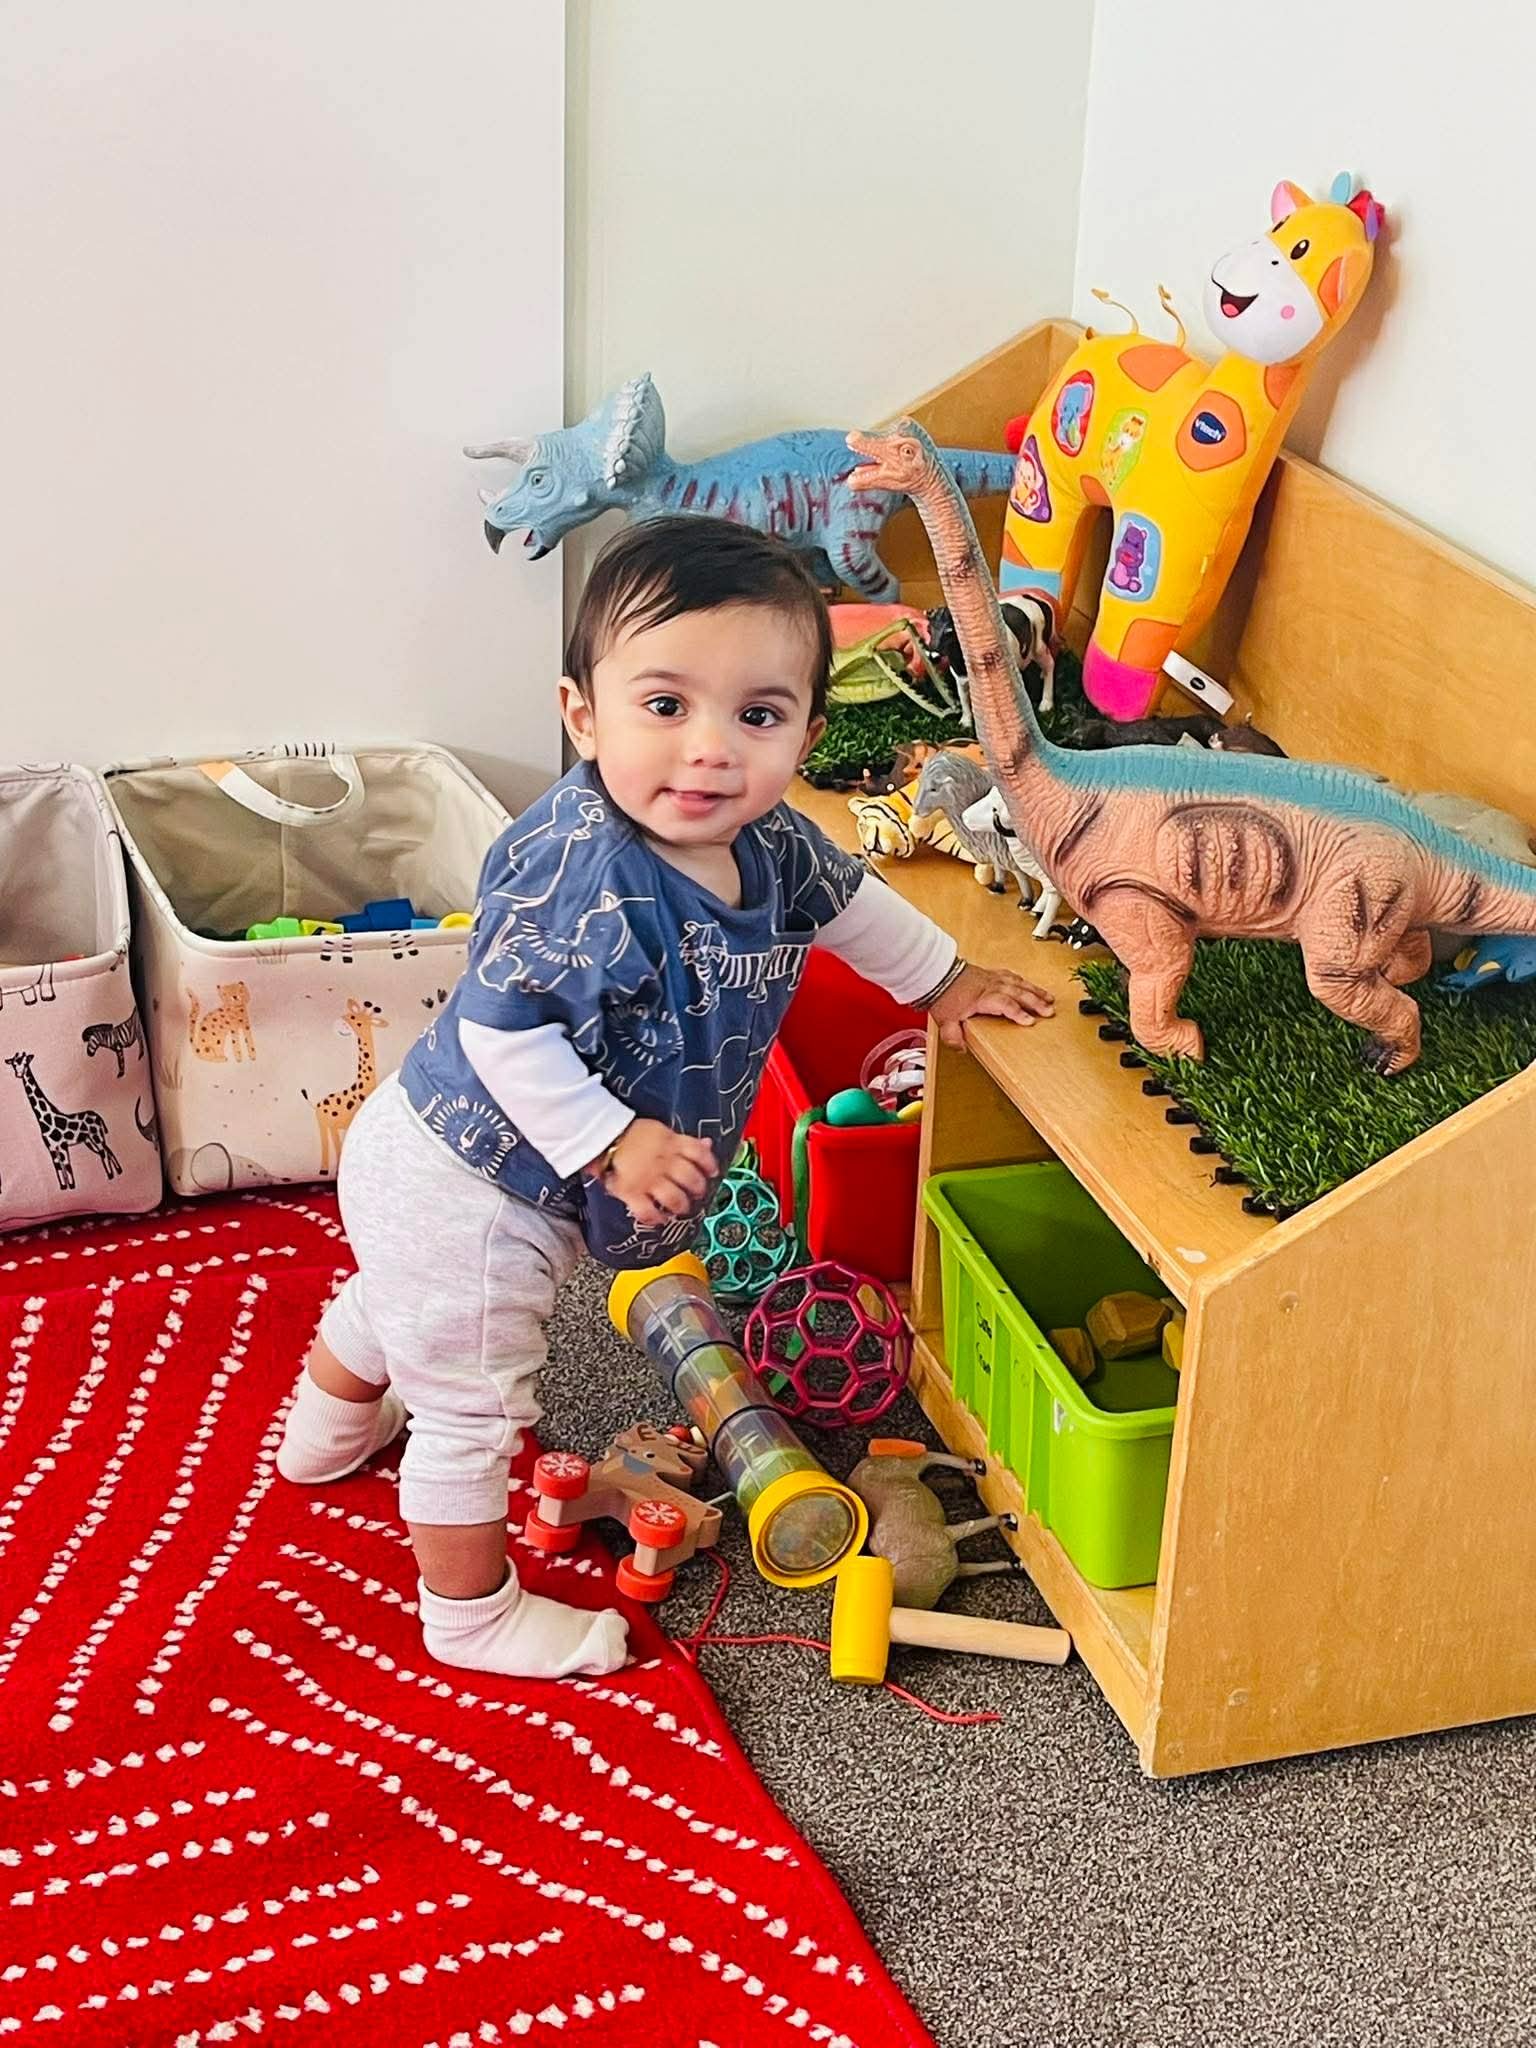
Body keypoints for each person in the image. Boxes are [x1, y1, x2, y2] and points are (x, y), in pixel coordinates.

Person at [276, 515, 1054, 1680]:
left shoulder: (771, 841)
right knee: (474, 1403)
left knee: (410, 1301)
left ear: (808, 730)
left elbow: (853, 906)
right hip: (477, 1179)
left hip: (457, 1174)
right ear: (583, 714)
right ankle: (468, 1613)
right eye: (664, 704)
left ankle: (326, 1435)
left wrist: (946, 980)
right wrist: (616, 1142)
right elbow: (501, 1028)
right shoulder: (587, 871)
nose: (709, 750)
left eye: (758, 714)